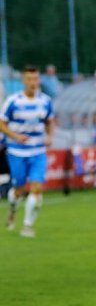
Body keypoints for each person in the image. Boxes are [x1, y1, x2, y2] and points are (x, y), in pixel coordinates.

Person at [0, 66, 54, 237]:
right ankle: (14, 208)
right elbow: (2, 124)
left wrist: (50, 136)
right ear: (24, 81)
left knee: (37, 188)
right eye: (30, 79)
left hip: (38, 151)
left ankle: (27, 226)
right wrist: (15, 136)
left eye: (36, 79)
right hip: (17, 152)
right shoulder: (13, 101)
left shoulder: (45, 101)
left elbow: (50, 121)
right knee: (19, 189)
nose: (33, 83)